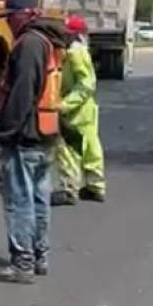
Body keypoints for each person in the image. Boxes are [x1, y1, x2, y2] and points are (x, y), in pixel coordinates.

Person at [0, 0, 68, 284]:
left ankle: (22, 263)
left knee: (20, 200)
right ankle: (39, 257)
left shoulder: (30, 43)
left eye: (10, 16)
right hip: (43, 132)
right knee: (38, 198)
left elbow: (23, 92)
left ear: (27, 14)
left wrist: (5, 131)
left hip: (25, 135)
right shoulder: (47, 40)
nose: (7, 22)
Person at [53, 14, 106, 205]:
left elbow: (86, 84)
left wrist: (64, 104)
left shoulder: (74, 53)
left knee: (68, 149)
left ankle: (69, 189)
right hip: (85, 110)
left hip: (75, 110)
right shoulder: (80, 51)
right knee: (90, 148)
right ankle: (95, 187)